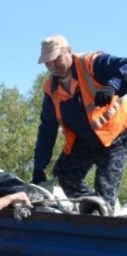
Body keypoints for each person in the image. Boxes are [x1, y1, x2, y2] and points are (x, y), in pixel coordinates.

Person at [32, 34, 127, 210]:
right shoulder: (50, 89)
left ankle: (102, 216)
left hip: (114, 138)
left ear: (69, 51)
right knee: (65, 172)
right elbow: (47, 129)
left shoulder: (91, 63)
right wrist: (39, 166)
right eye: (47, 62)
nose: (52, 65)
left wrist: (112, 86)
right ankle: (92, 209)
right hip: (84, 140)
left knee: (105, 191)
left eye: (56, 58)